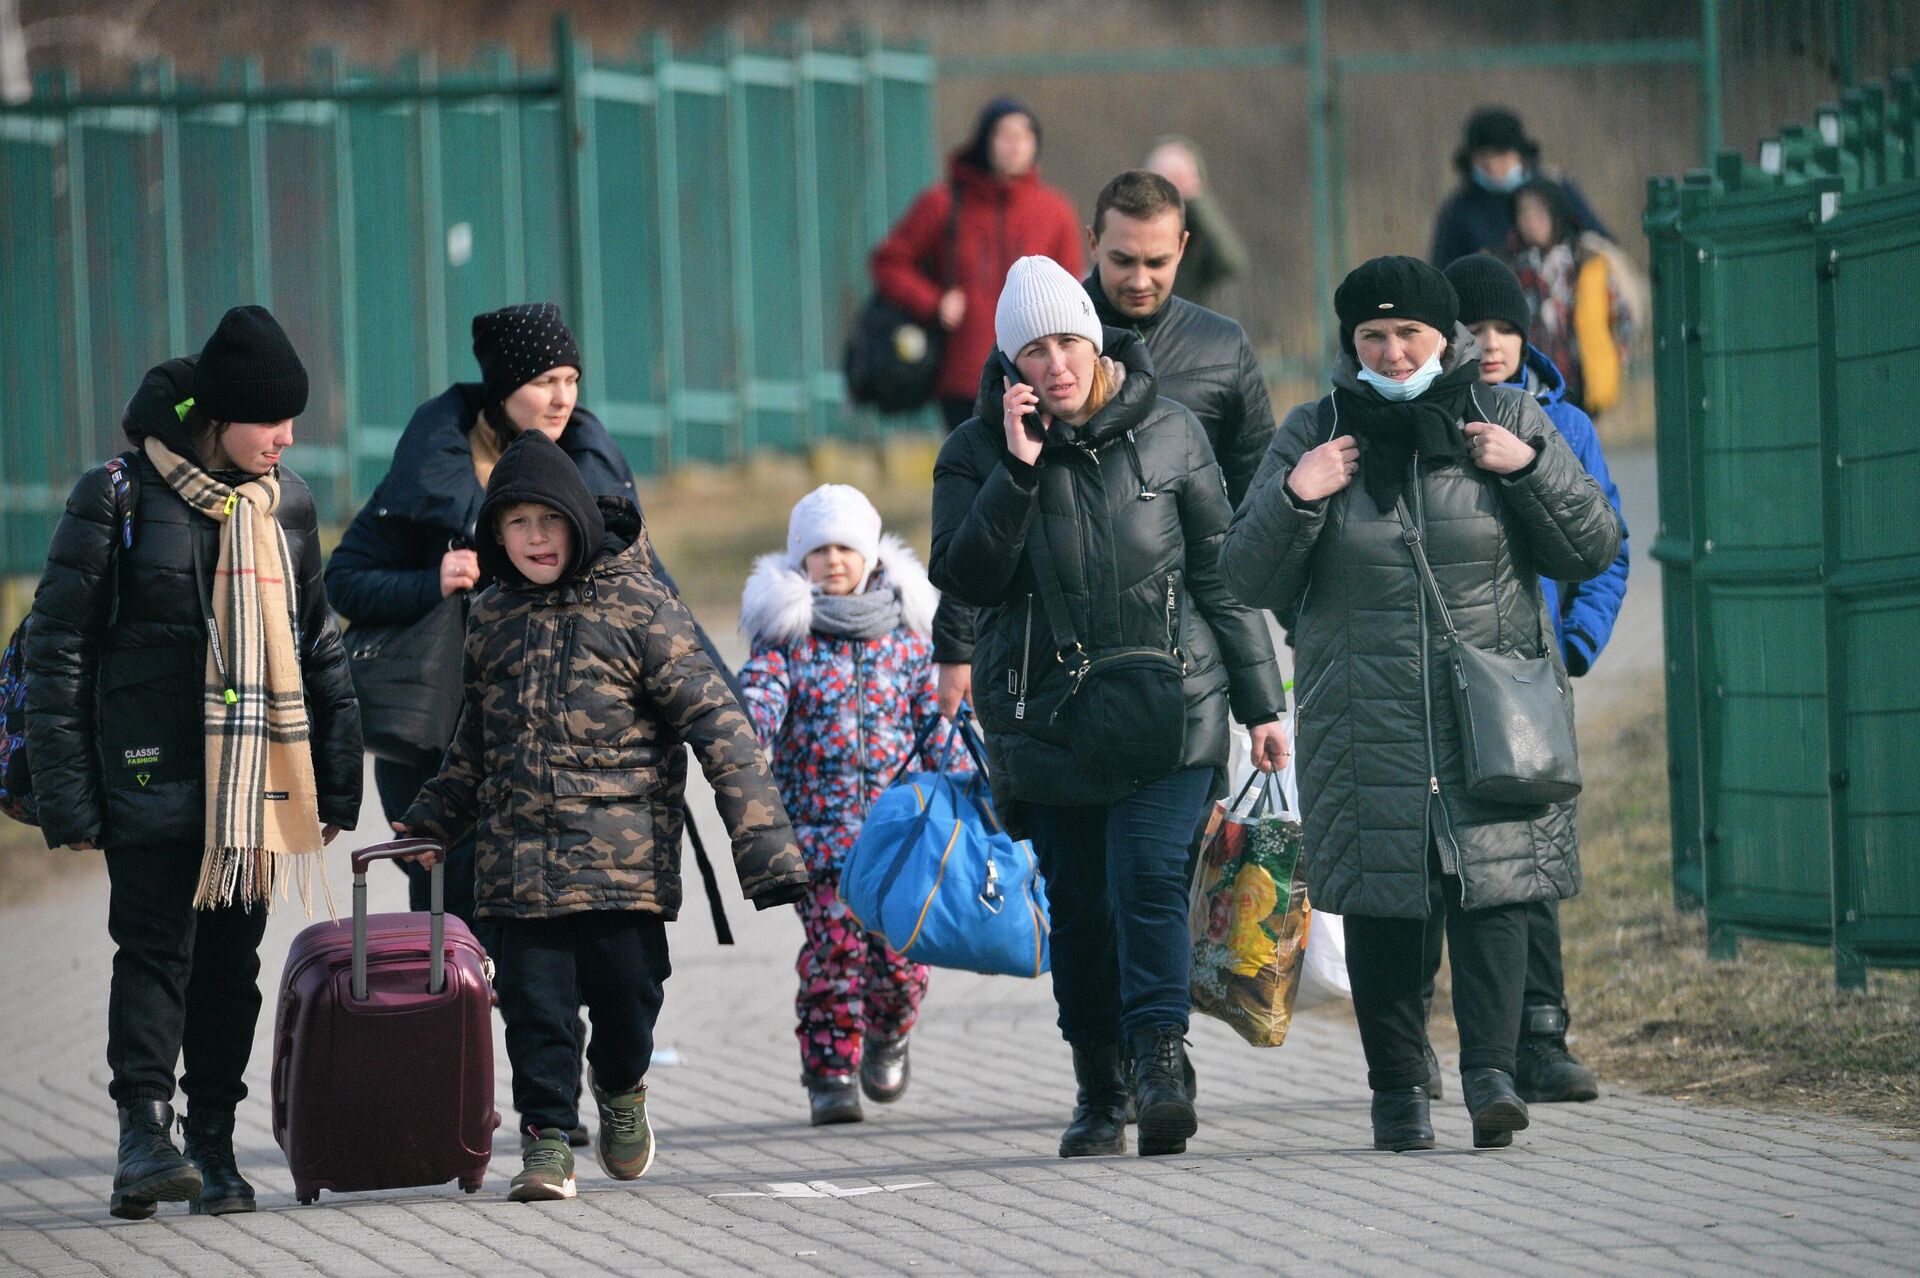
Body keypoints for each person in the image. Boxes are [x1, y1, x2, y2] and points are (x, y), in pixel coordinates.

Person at [1218, 256, 1621, 1153]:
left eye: (1411, 334)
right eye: (1373, 336)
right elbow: (1243, 574)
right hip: (1365, 715)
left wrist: (1527, 471)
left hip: (1491, 712)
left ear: (1450, 340)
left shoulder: (1508, 416)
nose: (1394, 353)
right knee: (1384, 907)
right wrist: (1295, 494)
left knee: (1495, 895)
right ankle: (1398, 1091)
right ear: (1349, 344)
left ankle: (1491, 1078)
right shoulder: (1313, 432)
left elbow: (1593, 545)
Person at [930, 256, 1288, 1159]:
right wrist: (1016, 472)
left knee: (1148, 880)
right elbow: (966, 579)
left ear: (1095, 342)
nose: (1055, 365)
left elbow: (1221, 573)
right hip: (1046, 724)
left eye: (1068, 343)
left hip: (1173, 707)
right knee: (1082, 910)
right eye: (1034, 351)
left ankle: (1163, 1063)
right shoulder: (974, 451)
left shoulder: (1169, 432)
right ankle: (1100, 1087)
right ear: (1011, 365)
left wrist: (1263, 704)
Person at [396, 431, 807, 1203]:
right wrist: (432, 819)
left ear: (578, 519)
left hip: (623, 867)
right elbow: (476, 736)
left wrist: (765, 847)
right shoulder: (491, 615)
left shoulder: (641, 605)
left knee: (629, 998)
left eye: (549, 520)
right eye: (516, 524)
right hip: (519, 867)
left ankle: (622, 1090)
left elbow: (721, 726)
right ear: (495, 534)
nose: (536, 538)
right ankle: (546, 1141)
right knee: (534, 1010)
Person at [25, 306, 362, 1219]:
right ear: (216, 416)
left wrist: (336, 775)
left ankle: (211, 1143)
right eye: (268, 421)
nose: (285, 439)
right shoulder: (118, 495)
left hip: (253, 786)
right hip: (149, 774)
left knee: (228, 968)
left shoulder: (286, 503)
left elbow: (316, 642)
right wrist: (68, 792)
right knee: (152, 956)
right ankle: (144, 1135)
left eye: (294, 420)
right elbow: (59, 648)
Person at [932, 168, 1276, 721]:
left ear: (1184, 248)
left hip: (1177, 640)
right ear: (1093, 244)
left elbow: (1256, 493)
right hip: (1054, 640)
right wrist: (957, 645)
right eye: (1122, 260)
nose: (1140, 278)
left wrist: (1275, 645)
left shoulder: (1221, 346)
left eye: (1157, 262)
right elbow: (982, 498)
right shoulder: (1031, 337)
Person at [1440, 253, 1630, 1103]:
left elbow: (1607, 545)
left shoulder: (1567, 426)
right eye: (1471, 329)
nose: (1487, 344)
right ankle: (1443, 1038)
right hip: (1447, 676)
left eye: (1503, 329)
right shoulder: (1432, 421)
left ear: (1526, 334)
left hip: (1533, 677)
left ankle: (1543, 1035)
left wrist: (1579, 641)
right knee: (1449, 863)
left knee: (1536, 859)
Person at [736, 485, 959, 1127]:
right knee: (834, 951)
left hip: (899, 837)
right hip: (818, 835)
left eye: (845, 547)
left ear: (870, 554)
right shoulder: (787, 639)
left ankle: (889, 1030)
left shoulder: (910, 638)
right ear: (800, 560)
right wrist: (745, 733)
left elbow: (939, 717)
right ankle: (831, 1072)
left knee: (899, 962)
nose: (833, 560)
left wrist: (967, 774)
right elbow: (761, 697)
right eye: (818, 549)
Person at [870, 98, 1084, 431]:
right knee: (971, 475)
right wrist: (933, 302)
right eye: (1004, 135)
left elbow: (1074, 291)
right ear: (985, 141)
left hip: (1037, 377)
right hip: (962, 376)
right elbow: (888, 262)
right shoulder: (944, 203)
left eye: (1024, 136)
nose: (1015, 145)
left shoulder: (1055, 212)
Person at [1506, 180, 1644, 417]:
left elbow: (1623, 315)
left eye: (1539, 211)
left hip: (1580, 380)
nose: (1531, 220)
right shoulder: (1510, 266)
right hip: (1529, 384)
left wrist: (1614, 359)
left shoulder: (1589, 261)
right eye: (1523, 212)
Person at [1428, 107, 1609, 269]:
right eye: (1484, 157)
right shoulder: (1459, 209)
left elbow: (1600, 244)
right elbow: (1441, 270)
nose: (1493, 166)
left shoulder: (1555, 190)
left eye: (1502, 156)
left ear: (1520, 155)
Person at [1143, 136, 1250, 309]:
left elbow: (1231, 262)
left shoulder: (1199, 232)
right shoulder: (1133, 229)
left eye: (1178, 179)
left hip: (1194, 320)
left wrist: (1196, 201)